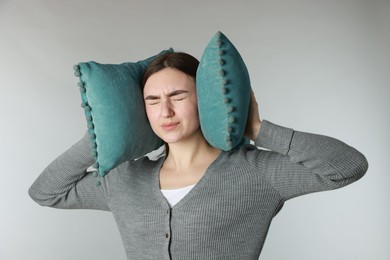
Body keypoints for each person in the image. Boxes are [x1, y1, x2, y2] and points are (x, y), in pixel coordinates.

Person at [29, 52, 368, 260]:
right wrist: (101, 135)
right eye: (152, 101)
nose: (165, 111)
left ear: (204, 99)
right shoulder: (124, 179)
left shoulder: (255, 172)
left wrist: (259, 129)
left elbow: (347, 167)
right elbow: (46, 192)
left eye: (178, 95)